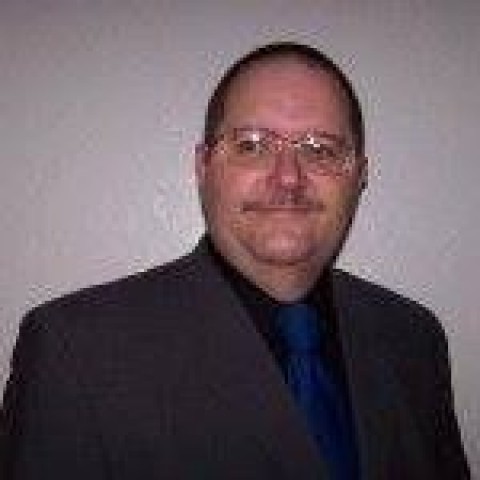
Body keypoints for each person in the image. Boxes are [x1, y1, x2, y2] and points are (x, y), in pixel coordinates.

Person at [1, 42, 470, 479]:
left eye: (320, 149)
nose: (288, 178)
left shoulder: (414, 340)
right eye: (252, 145)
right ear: (203, 167)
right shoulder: (75, 353)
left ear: (359, 176)